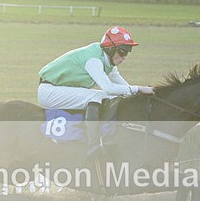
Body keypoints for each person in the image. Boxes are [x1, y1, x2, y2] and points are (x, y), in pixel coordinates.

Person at [37, 26, 155, 157]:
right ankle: (93, 144)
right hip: (49, 92)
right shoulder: (94, 60)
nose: (124, 57)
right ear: (110, 48)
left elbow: (123, 89)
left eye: (128, 52)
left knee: (109, 97)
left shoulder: (108, 62)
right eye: (122, 52)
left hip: (59, 89)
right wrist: (139, 88)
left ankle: (106, 135)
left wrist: (141, 93)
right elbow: (109, 88)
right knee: (95, 96)